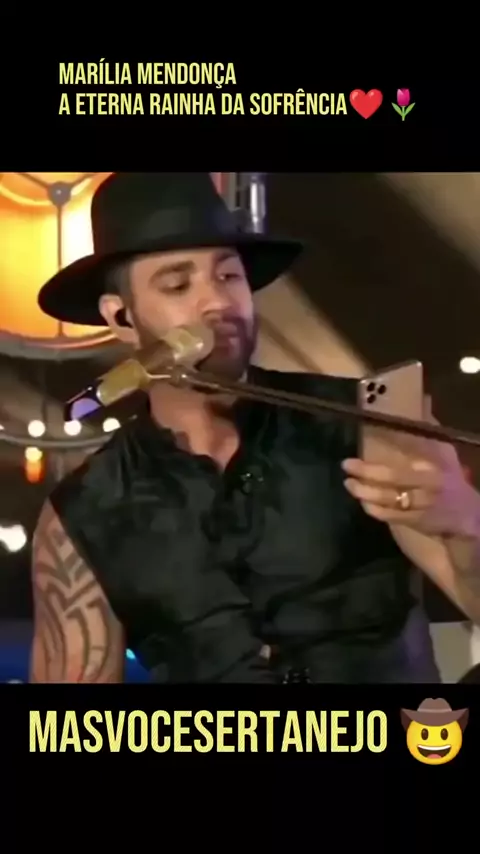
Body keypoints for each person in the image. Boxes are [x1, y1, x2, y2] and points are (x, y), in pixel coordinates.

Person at [31, 172, 480, 684]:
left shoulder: (367, 421)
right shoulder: (85, 509)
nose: (217, 302)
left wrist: (467, 520)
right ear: (121, 318)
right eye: (178, 285)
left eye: (229, 276)